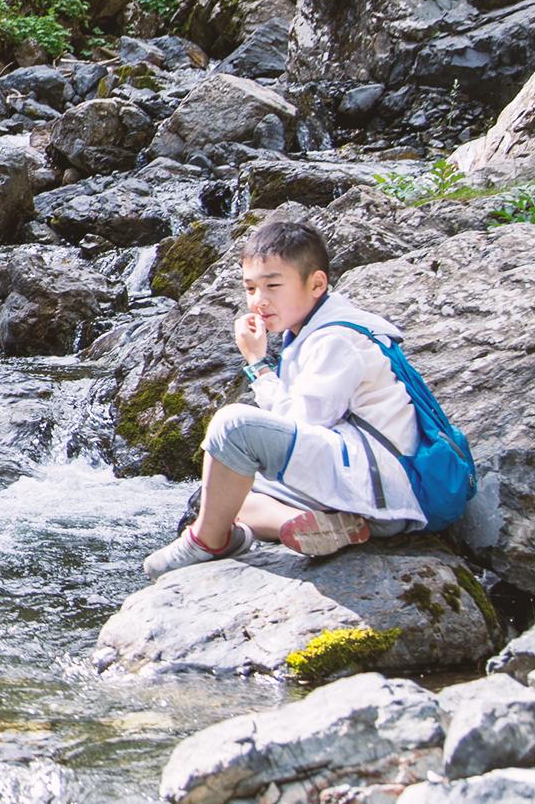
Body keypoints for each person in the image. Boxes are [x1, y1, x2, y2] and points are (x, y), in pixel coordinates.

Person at [143, 218, 425, 577]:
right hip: (365, 491)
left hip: (382, 495)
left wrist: (259, 365)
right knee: (223, 494)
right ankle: (304, 525)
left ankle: (207, 542)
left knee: (233, 425)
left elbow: (303, 424)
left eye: (273, 285)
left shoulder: (335, 338)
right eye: (250, 289)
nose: (259, 302)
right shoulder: (316, 327)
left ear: (317, 283)